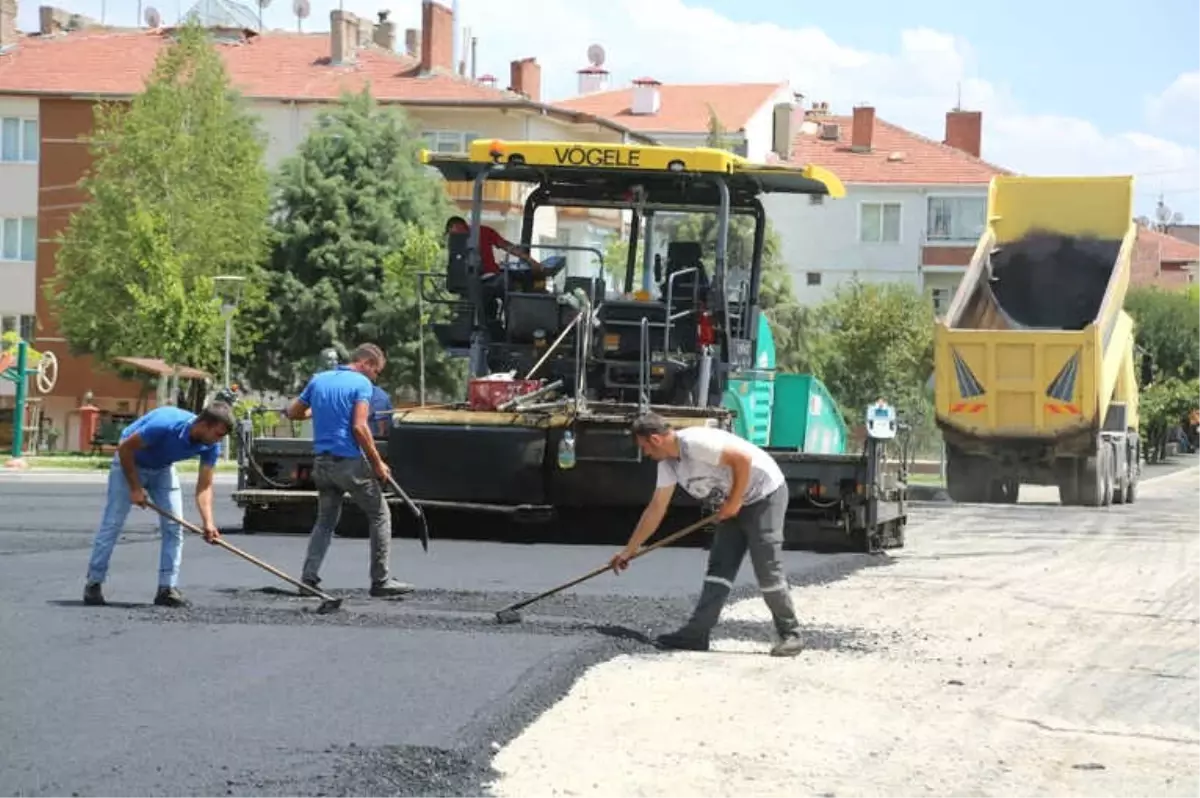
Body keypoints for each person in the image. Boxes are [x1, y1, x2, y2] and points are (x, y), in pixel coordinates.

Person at [610, 412, 805, 657]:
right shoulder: (668, 465)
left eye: (645, 448)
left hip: (764, 494)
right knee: (720, 568)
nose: (646, 454)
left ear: (656, 440)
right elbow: (656, 508)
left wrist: (734, 503)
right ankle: (696, 634)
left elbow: (742, 460)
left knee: (766, 565)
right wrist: (629, 551)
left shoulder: (696, 443)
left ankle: (791, 634)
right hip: (732, 502)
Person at [286, 343, 412, 598]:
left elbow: (293, 412)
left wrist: (318, 411)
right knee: (379, 515)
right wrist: (378, 464)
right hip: (349, 463)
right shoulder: (361, 384)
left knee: (325, 521)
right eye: (376, 371)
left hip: (322, 464)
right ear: (365, 363)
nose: (375, 377)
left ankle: (307, 579)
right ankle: (381, 580)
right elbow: (359, 427)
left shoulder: (319, 380)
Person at [83, 400, 235, 608]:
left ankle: (167, 588)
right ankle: (94, 583)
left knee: (174, 527)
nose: (219, 440)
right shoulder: (164, 425)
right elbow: (125, 449)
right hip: (130, 461)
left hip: (162, 468)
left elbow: (204, 487)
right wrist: (135, 487)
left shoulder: (211, 446)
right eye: (218, 434)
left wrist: (208, 523)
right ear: (204, 425)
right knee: (113, 523)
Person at [445, 215, 545, 277]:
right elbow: (506, 246)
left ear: (459, 226)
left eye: (452, 232)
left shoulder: (484, 232)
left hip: (486, 276)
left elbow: (506, 246)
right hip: (477, 278)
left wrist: (529, 260)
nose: (452, 236)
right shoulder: (456, 244)